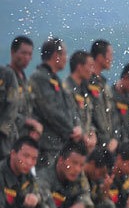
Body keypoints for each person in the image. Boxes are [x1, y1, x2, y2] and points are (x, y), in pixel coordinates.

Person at [31, 37, 83, 168]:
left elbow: (70, 107)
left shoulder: (55, 79)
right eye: (64, 54)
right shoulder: (40, 78)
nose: (66, 58)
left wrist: (77, 126)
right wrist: (71, 130)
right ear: (56, 55)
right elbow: (51, 110)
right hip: (48, 146)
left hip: (60, 144)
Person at [0, 36, 42, 159]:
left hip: (23, 139)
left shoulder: (26, 81)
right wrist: (27, 121)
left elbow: (30, 109)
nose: (27, 57)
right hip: (6, 138)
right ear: (13, 52)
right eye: (23, 53)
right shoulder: (5, 77)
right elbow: (5, 110)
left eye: (29, 54)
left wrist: (33, 129)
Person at [89, 39, 116, 152]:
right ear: (100, 57)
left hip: (107, 143)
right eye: (110, 55)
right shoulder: (88, 81)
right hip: (93, 143)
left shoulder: (103, 84)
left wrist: (114, 138)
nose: (111, 59)